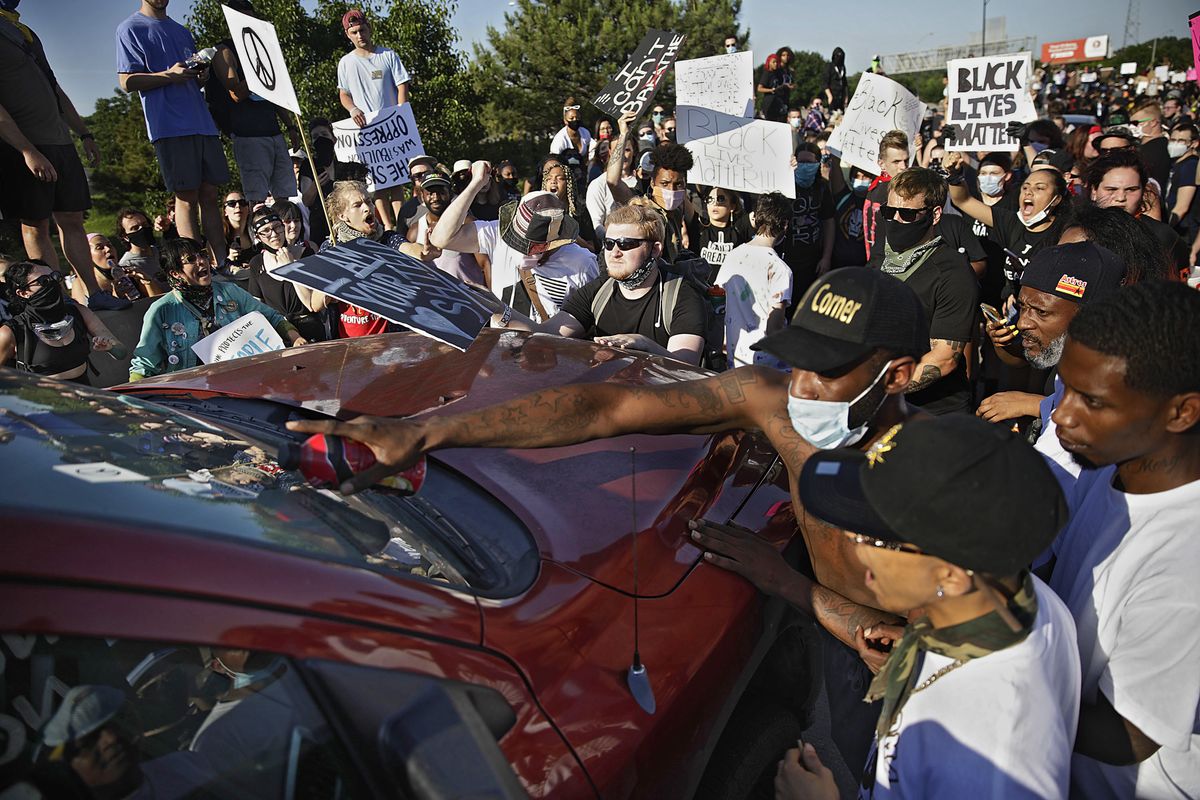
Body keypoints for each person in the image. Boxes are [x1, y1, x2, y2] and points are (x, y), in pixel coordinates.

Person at [286, 267, 934, 786]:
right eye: (797, 361)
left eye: (823, 374)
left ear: (897, 376)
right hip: (845, 659)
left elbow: (950, 634)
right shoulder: (772, 397)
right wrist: (426, 430)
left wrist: (786, 585)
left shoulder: (949, 478)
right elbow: (609, 407)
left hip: (930, 687)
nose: (799, 388)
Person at [775, 414, 1080, 799]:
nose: (857, 555)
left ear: (951, 576)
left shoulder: (991, 748)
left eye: (878, 542)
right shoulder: (1025, 598)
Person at [1045, 281, 1200, 798]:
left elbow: (1130, 736)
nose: (1062, 415)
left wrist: (976, 687)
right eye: (1064, 388)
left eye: (1092, 400)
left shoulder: (1185, 564)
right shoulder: (1104, 466)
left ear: (1182, 412)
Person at [475, 202, 709, 365]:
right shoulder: (598, 291)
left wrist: (644, 345)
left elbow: (685, 366)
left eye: (626, 244)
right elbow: (546, 335)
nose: (614, 252)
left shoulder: (681, 296)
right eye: (608, 244)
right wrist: (498, 308)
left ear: (655, 249)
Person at [977, 242, 1125, 485]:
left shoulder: (1104, 389)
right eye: (1023, 307)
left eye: (1041, 312)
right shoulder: (1071, 369)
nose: (1023, 323)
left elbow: (1036, 488)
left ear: (1090, 317)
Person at [0, 4, 114, 308]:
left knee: (72, 218)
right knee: (35, 223)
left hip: (59, 142)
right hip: (23, 145)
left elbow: (54, 87)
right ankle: (56, 302)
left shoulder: (25, 33)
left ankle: (95, 293)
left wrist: (84, 132)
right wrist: (26, 150)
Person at [117, 0, 231, 266]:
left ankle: (223, 262)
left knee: (210, 194)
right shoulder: (130, 28)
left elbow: (188, 74)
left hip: (201, 121)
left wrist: (199, 75)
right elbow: (127, 81)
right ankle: (194, 264)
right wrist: (169, 75)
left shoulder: (182, 31)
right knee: (186, 197)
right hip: (169, 125)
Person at [430, 162, 598, 323]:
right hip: (502, 349)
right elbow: (441, 238)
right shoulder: (497, 234)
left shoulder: (582, 262)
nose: (525, 249)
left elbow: (590, 321)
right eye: (518, 240)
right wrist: (475, 184)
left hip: (554, 349)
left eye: (537, 245)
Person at [130, 237, 304, 379]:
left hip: (242, 379)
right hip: (192, 391)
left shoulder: (229, 291)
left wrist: (295, 338)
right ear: (175, 273)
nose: (201, 261)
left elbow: (271, 317)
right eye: (190, 259)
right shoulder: (162, 310)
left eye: (202, 255)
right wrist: (134, 401)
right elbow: (144, 364)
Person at [879, 167, 977, 415]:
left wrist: (877, 388)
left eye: (908, 215)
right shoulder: (881, 258)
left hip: (933, 414)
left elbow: (944, 358)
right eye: (889, 212)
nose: (896, 221)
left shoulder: (952, 272)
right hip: (884, 407)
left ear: (934, 215)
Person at [943, 154, 1071, 305]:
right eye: (1025, 187)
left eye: (1039, 188)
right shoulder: (1012, 223)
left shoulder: (1066, 234)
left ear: (1056, 199)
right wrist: (955, 176)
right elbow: (963, 200)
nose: (1028, 192)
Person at [208, 0, 298, 206]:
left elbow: (276, 92)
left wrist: (290, 125)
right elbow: (235, 93)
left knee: (284, 195)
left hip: (274, 131)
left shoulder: (264, 47)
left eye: (251, 16)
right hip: (247, 134)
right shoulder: (224, 50)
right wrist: (257, 68)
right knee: (257, 198)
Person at [337, 8, 410, 229]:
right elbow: (344, 94)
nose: (360, 36)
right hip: (365, 128)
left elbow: (402, 85)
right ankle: (387, 227)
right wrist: (352, 109)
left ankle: (403, 223)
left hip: (390, 125)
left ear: (369, 29)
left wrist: (400, 110)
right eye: (355, 32)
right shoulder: (346, 63)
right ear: (348, 35)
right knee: (376, 180)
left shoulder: (387, 55)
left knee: (397, 179)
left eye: (362, 30)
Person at [320, 179, 421, 338]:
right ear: (343, 216)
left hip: (391, 340)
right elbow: (315, 303)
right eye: (357, 205)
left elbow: (413, 252)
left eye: (369, 202)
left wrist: (425, 250)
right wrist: (333, 285)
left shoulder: (387, 240)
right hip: (349, 346)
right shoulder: (331, 247)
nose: (367, 208)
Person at [0, 260, 122, 384]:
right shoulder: (12, 331)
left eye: (54, 276)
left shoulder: (79, 312)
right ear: (23, 293)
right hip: (45, 400)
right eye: (44, 281)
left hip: (85, 396)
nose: (52, 283)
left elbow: (121, 352)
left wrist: (110, 347)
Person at [715, 192, 793, 370]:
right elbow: (775, 327)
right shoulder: (779, 269)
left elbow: (718, 300)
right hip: (767, 363)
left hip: (735, 354)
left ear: (755, 219)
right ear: (785, 225)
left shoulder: (732, 255)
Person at [607, 113, 699, 260]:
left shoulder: (678, 210)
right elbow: (613, 181)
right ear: (652, 182)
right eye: (664, 184)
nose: (671, 190)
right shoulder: (641, 208)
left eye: (678, 185)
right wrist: (624, 135)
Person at [1084, 149, 1185, 275]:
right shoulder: (1076, 230)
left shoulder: (1162, 236)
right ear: (1094, 191)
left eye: (1131, 190)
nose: (1120, 198)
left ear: (1143, 192)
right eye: (1111, 189)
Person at [246, 207, 327, 342]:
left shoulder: (305, 254)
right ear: (258, 236)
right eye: (266, 231)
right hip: (277, 332)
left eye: (277, 227)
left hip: (309, 329)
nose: (274, 234)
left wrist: (291, 268)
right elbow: (256, 306)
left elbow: (311, 304)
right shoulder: (257, 263)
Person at [406, 171, 486, 285]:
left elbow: (486, 265)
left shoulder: (467, 223)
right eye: (430, 193)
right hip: (434, 300)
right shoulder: (414, 231)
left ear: (450, 193)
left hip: (470, 300)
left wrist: (492, 300)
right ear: (422, 196)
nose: (436, 197)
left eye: (441, 192)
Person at [786, 143, 835, 296]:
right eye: (801, 162)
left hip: (812, 260)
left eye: (810, 162)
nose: (805, 166)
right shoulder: (785, 185)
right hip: (786, 257)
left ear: (818, 163)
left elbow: (829, 222)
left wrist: (826, 257)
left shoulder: (822, 187)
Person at [862, 130, 910, 267]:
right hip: (887, 266)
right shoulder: (891, 192)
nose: (903, 167)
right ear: (882, 164)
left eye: (906, 160)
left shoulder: (876, 186)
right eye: (896, 162)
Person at [537, 153, 596, 250]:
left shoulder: (578, 211)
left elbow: (592, 248)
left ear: (568, 183)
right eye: (548, 178)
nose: (553, 181)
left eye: (559, 178)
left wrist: (572, 236)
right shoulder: (538, 211)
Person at [696, 186, 752, 278]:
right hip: (701, 290)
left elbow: (761, 214)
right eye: (710, 199)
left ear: (732, 206)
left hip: (730, 291)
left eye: (720, 199)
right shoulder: (699, 228)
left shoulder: (739, 229)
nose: (715, 203)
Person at [115, 207, 168, 295]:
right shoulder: (128, 266)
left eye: (144, 225)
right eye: (135, 228)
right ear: (125, 237)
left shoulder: (160, 251)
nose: (142, 230)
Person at [830, 165, 872, 268]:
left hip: (864, 266)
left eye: (865, 177)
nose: (861, 180)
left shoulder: (875, 202)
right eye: (857, 176)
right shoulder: (843, 196)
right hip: (838, 264)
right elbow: (835, 164)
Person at [86, 233, 146, 301]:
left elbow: (154, 300)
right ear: (88, 256)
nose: (108, 249)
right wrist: (116, 298)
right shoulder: (89, 286)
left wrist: (147, 281)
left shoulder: (130, 274)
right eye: (100, 248)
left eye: (109, 245)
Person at [1164, 122, 1197, 239]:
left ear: (1194, 143)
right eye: (1173, 140)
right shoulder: (1176, 164)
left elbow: (1182, 207)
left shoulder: (1190, 166)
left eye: (1181, 141)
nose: (1175, 144)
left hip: (1183, 231)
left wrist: (1163, 230)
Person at [1130, 100, 1170, 191]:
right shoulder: (1143, 147)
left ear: (1153, 122)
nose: (1132, 127)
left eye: (1136, 123)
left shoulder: (1157, 149)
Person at [757, 47, 794, 123]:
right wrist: (772, 90)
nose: (776, 64)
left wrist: (786, 86)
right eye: (774, 62)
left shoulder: (786, 71)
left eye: (776, 62)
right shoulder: (768, 73)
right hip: (770, 103)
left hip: (781, 102)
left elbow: (779, 86)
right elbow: (760, 88)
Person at [823, 47, 848, 112]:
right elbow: (825, 83)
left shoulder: (843, 68)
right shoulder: (829, 66)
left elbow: (845, 83)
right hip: (832, 96)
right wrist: (829, 96)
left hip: (841, 97)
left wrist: (846, 97)